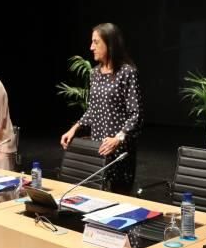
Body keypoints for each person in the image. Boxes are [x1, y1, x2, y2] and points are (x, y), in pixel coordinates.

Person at [60, 23, 144, 194]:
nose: (91, 47)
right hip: (98, 149)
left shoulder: (127, 72)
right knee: (96, 197)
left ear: (110, 44)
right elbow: (93, 110)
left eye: (96, 42)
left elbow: (136, 114)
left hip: (119, 151)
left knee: (118, 202)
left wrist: (118, 138)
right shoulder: (95, 73)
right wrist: (74, 129)